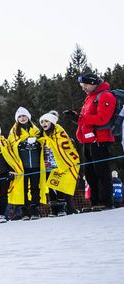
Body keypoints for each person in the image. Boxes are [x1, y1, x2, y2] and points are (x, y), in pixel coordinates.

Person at [67, 74, 117, 210]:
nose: (84, 89)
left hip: (100, 139)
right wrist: (77, 118)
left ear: (93, 83)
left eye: (86, 86)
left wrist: (82, 118)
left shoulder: (105, 96)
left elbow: (102, 118)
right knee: (90, 173)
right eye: (82, 86)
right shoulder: (89, 98)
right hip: (88, 141)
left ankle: (106, 202)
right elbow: (86, 119)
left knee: (101, 171)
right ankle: (95, 202)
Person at [38, 111, 81, 217]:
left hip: (59, 166)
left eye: (46, 121)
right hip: (47, 166)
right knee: (51, 189)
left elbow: (66, 148)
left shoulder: (60, 134)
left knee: (60, 188)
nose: (44, 123)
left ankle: (62, 208)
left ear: (52, 122)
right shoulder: (41, 136)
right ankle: (54, 210)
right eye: (42, 121)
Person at [8, 107, 44, 220]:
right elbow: (10, 146)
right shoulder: (14, 131)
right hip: (21, 167)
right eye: (19, 117)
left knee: (35, 188)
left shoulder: (36, 130)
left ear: (28, 117)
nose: (22, 118)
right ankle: (25, 211)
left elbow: (44, 141)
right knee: (22, 189)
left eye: (24, 116)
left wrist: (37, 142)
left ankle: (35, 210)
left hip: (35, 164)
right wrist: (22, 144)